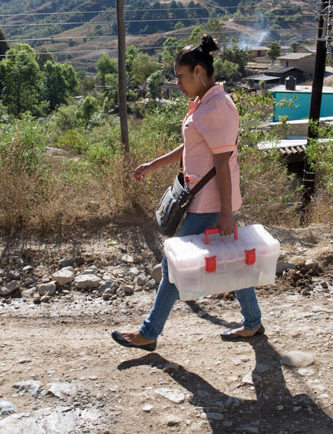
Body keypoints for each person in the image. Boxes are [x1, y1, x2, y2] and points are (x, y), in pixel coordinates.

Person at [111, 35, 265, 351]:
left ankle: (149, 333)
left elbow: (222, 163)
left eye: (180, 76)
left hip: (209, 203)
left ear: (198, 71)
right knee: (233, 262)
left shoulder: (216, 108)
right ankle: (253, 323)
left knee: (173, 264)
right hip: (207, 199)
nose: (177, 83)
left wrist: (224, 214)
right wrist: (154, 164)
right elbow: (194, 145)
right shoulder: (206, 103)